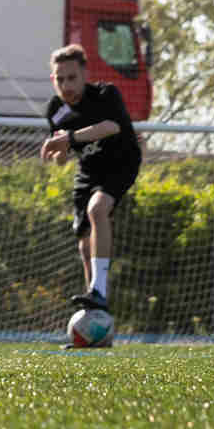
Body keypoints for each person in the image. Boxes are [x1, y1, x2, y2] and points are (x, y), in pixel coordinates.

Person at [40, 44, 140, 331]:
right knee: (84, 242)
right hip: (88, 171)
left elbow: (112, 126)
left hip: (121, 163)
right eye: (60, 80)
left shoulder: (106, 94)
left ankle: (99, 291)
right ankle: (95, 307)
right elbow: (61, 160)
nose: (66, 86)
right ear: (53, 80)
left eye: (72, 78)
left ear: (85, 74)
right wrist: (58, 150)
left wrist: (69, 138)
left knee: (98, 210)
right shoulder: (56, 110)